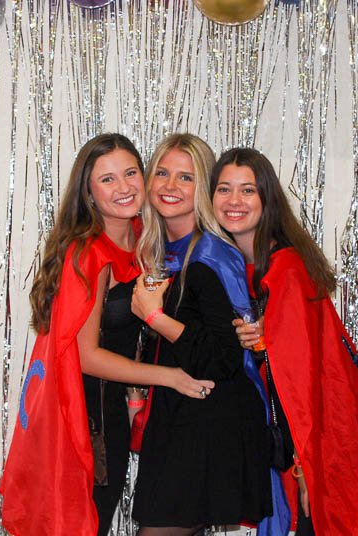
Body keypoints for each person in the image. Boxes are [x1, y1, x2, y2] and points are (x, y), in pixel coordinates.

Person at [0, 133, 215, 536]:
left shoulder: (144, 236)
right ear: (89, 193)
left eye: (130, 173)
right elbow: (86, 356)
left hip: (114, 410)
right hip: (82, 417)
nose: (123, 187)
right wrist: (169, 378)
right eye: (107, 179)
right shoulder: (89, 253)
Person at [211, 147, 358, 536]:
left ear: (267, 199)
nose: (234, 200)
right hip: (318, 434)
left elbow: (301, 382)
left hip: (335, 434)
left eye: (247, 190)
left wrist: (307, 468)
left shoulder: (285, 269)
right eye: (224, 189)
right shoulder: (241, 266)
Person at [129, 134, 273, 535]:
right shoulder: (164, 250)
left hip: (210, 421)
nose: (170, 186)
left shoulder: (210, 257)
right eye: (162, 173)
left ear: (203, 189)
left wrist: (156, 317)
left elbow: (224, 359)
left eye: (186, 177)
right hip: (179, 416)